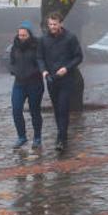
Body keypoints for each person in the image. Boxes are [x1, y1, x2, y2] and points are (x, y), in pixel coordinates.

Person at [37, 12, 83, 151]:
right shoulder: (43, 40)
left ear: (61, 23)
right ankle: (62, 135)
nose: (52, 27)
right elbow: (39, 57)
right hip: (51, 79)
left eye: (55, 24)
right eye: (50, 24)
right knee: (57, 109)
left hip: (66, 79)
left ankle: (61, 139)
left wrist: (66, 68)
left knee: (63, 108)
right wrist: (44, 71)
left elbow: (78, 57)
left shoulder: (70, 38)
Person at [9, 20, 44, 149]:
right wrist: (13, 70)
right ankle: (21, 136)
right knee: (16, 109)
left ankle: (37, 137)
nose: (22, 37)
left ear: (30, 35)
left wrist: (35, 71)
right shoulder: (15, 46)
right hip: (19, 83)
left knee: (35, 111)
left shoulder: (37, 46)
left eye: (24, 35)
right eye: (20, 35)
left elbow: (41, 62)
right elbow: (11, 61)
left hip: (35, 83)